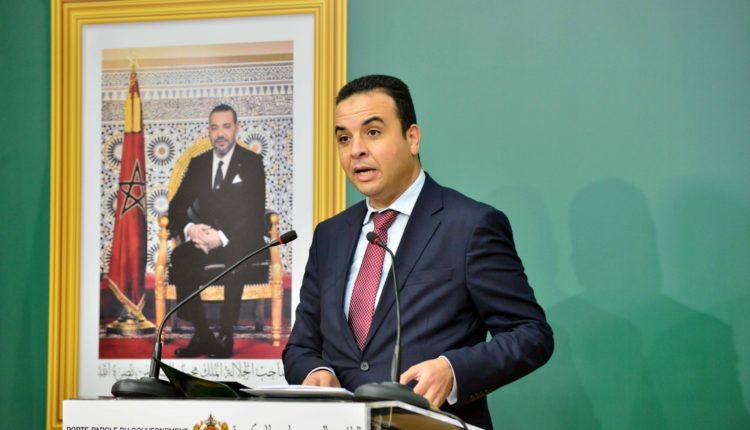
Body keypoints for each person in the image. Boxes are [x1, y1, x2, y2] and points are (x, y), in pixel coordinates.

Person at [282, 75, 553, 429]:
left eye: (373, 132)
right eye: (344, 138)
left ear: (412, 138)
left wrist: (453, 371)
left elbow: (531, 334)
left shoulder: (469, 225)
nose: (356, 150)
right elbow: (301, 347)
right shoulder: (330, 235)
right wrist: (314, 371)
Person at [168, 104, 267, 358]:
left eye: (226, 127)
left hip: (240, 240)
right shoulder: (199, 164)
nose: (220, 134)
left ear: (236, 128)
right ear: (209, 131)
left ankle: (225, 334)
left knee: (237, 258)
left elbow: (254, 213)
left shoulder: (252, 162)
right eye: (214, 128)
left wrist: (221, 238)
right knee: (180, 256)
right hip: (206, 240)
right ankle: (202, 334)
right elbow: (176, 206)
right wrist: (192, 229)